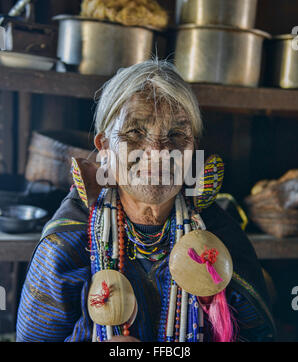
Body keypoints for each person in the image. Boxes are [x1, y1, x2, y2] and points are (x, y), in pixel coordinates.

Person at [16, 59, 276, 342]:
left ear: (193, 151)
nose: (158, 151)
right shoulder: (68, 241)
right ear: (104, 147)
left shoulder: (218, 237)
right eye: (135, 132)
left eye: (176, 134)